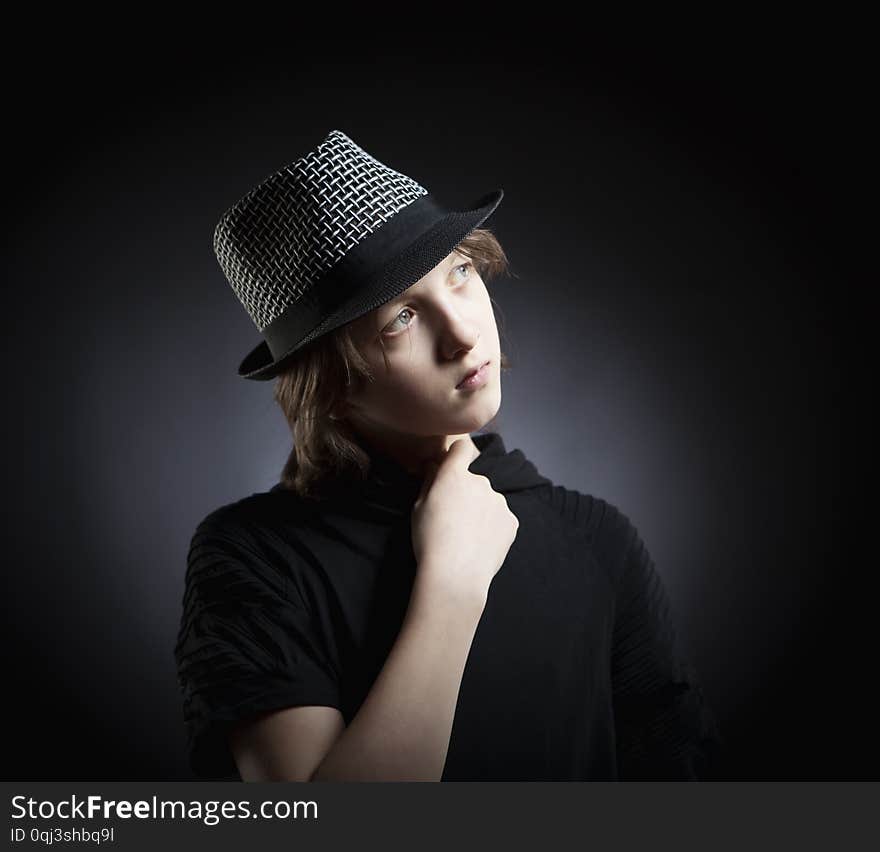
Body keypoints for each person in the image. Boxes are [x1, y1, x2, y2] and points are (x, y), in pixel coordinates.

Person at [173, 129, 725, 781]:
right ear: (329, 382)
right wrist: (451, 587)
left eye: (459, 273)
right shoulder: (253, 556)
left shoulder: (598, 540)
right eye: (401, 318)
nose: (464, 335)